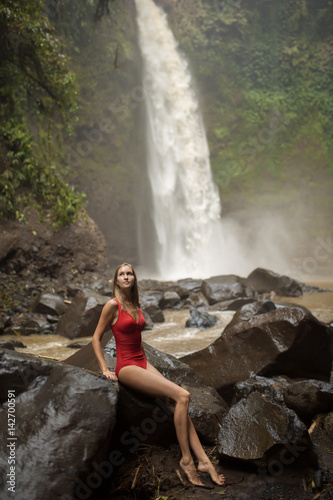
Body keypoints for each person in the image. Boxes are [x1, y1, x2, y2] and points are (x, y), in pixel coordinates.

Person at [92, 262, 225, 488]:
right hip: (125, 367)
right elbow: (95, 338)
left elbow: (137, 338)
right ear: (116, 281)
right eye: (122, 274)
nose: (126, 277)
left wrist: (147, 364)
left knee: (177, 404)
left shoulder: (136, 304)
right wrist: (105, 369)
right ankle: (186, 460)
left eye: (129, 274)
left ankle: (203, 461)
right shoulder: (112, 305)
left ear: (134, 278)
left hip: (142, 361)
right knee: (183, 396)